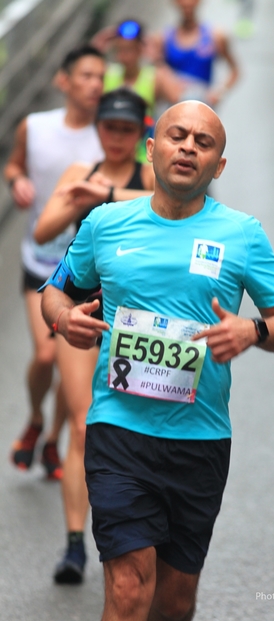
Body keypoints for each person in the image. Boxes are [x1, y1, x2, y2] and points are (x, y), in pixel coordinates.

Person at [40, 100, 274, 621]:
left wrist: (251, 331)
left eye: (203, 143)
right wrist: (65, 319)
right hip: (118, 431)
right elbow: (54, 291)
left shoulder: (242, 234)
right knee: (128, 587)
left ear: (218, 166)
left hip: (199, 439)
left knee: (175, 602)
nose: (188, 147)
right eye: (177, 136)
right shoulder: (105, 223)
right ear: (152, 149)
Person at [34, 88, 154, 585]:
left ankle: (136, 531)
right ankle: (74, 545)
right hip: (84, 310)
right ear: (97, 128)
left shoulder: (152, 176)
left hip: (139, 319)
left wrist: (106, 198)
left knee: (136, 427)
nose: (117, 138)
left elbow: (182, 202)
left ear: (141, 134)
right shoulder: (78, 174)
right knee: (83, 426)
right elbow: (42, 231)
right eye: (109, 128)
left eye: (128, 130)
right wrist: (77, 200)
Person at [4, 44, 105, 479]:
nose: (95, 85)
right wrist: (17, 181)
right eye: (86, 75)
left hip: (83, 269)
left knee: (71, 361)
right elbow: (14, 165)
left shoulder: (108, 136)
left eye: (101, 77)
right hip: (41, 258)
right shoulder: (35, 126)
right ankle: (35, 418)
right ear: (63, 81)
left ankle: (53, 440)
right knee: (46, 355)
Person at [92, 19, 184, 161]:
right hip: (109, 152)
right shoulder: (108, 73)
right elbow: (85, 66)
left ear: (140, 49)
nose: (124, 55)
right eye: (120, 49)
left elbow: (179, 98)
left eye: (129, 49)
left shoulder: (154, 76)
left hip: (142, 155)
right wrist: (101, 41)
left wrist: (157, 58)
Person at [152, 0, 239, 108]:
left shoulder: (214, 36)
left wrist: (219, 93)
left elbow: (234, 70)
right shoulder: (162, 38)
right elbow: (154, 73)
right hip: (173, 104)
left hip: (201, 103)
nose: (187, 3)